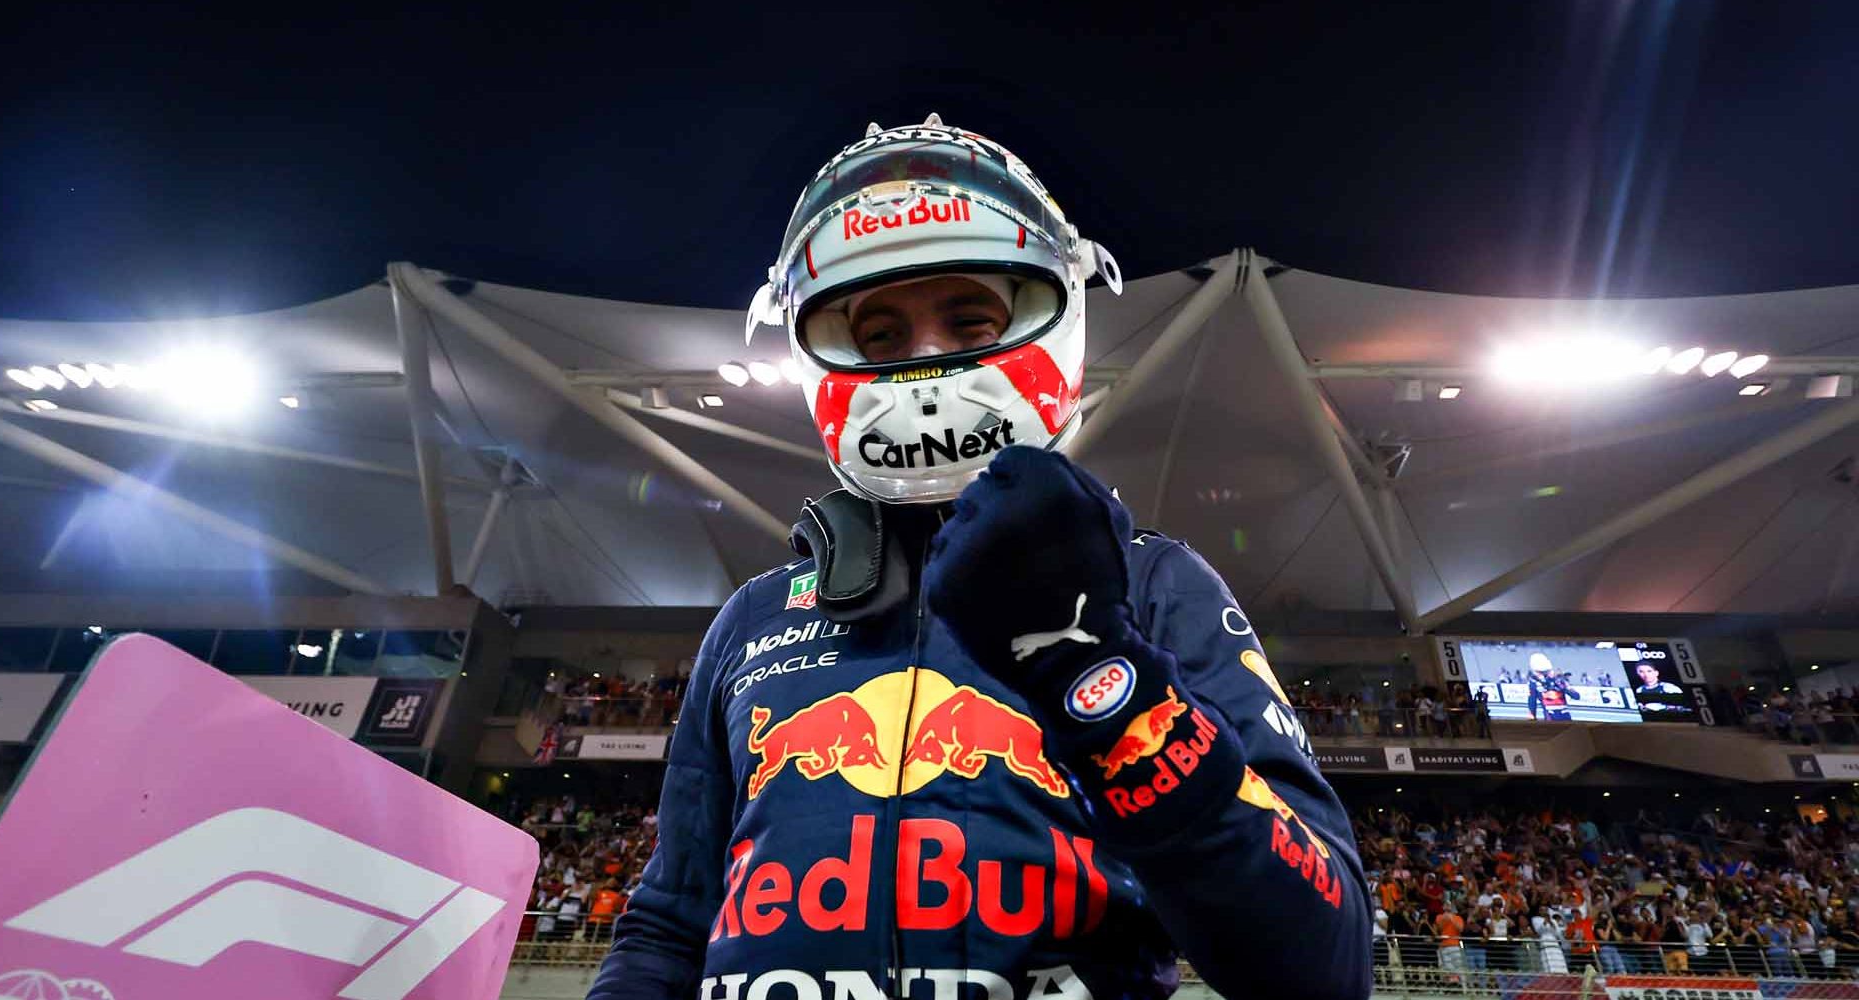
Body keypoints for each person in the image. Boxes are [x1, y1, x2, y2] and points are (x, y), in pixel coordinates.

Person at [589, 116, 1370, 1000]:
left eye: (969, 316)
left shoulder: (1153, 586)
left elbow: (1326, 963)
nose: (925, 358)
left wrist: (1102, 676)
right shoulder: (756, 616)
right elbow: (667, 928)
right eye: (879, 333)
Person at [1526, 654, 1576, 721]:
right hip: (1554, 716)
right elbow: (1532, 702)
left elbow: (1576, 696)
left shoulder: (1559, 680)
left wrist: (1562, 686)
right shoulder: (1534, 683)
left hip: (1559, 717)